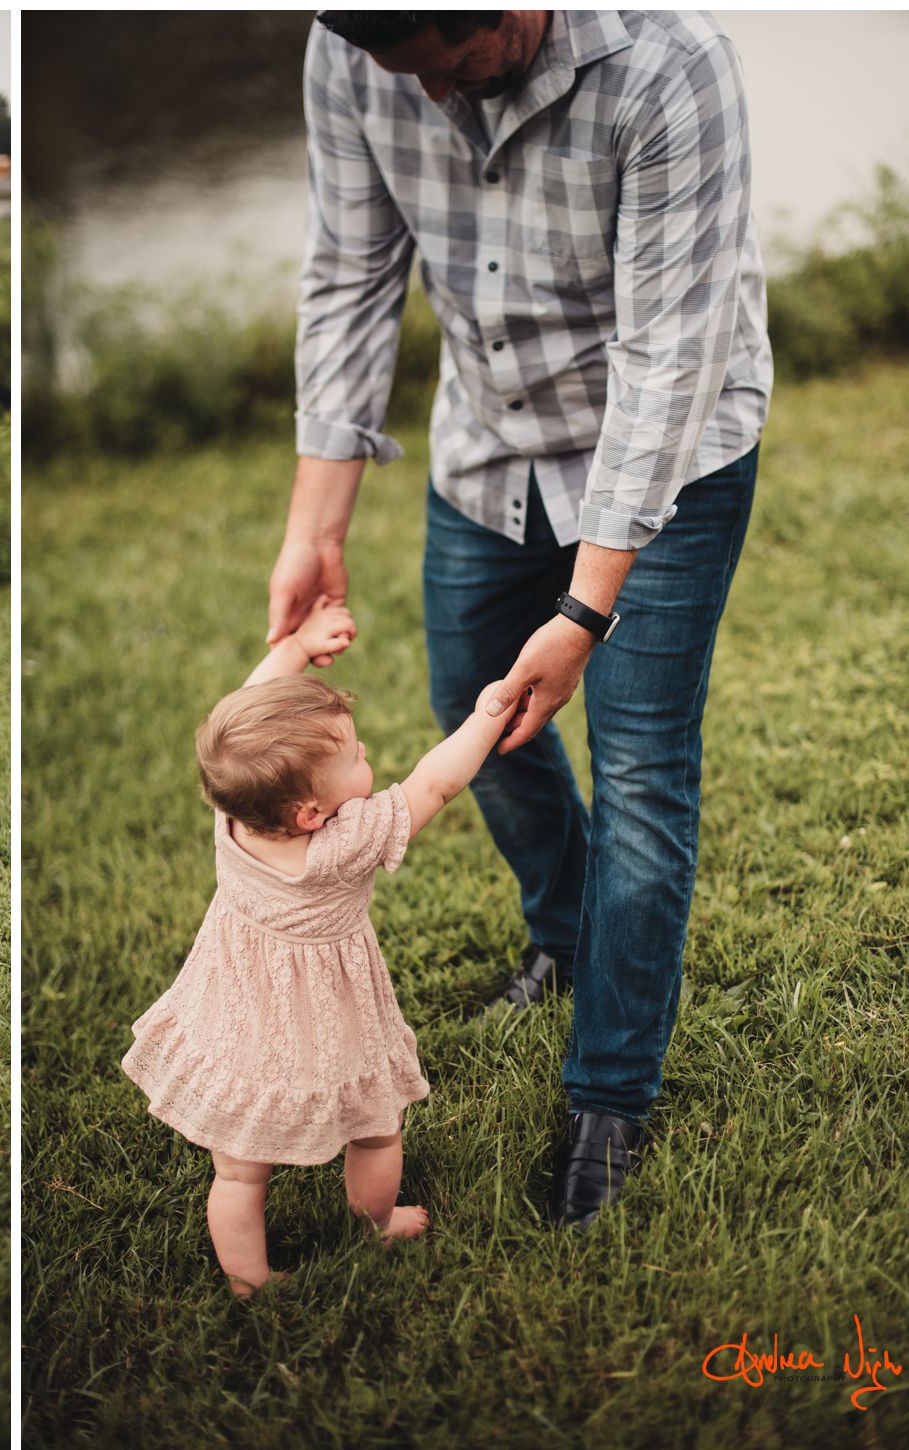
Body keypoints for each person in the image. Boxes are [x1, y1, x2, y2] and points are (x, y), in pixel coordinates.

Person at [274, 13, 772, 1225]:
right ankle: (567, 929)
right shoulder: (348, 50)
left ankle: (608, 1093)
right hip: (486, 451)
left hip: (667, 460)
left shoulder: (667, 62)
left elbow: (665, 357)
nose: (435, 91)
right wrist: (314, 525)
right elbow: (351, 273)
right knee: (469, 705)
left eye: (451, 52)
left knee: (643, 768)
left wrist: (581, 608)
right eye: (408, 70)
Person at [122, 603, 513, 1295]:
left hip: (240, 1010)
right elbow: (435, 783)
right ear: (310, 813)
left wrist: (297, 646)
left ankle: (248, 1279)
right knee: (374, 1126)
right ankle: (378, 1219)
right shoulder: (337, 848)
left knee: (239, 1167)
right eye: (357, 757)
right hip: (327, 1016)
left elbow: (246, 705)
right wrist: (488, 715)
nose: (368, 757)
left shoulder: (234, 807)